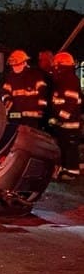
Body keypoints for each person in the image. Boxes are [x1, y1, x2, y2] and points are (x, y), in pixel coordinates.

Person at [48, 52, 81, 180]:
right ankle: (65, 170)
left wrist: (60, 119)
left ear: (60, 64)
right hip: (64, 123)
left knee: (70, 148)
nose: (54, 68)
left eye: (56, 65)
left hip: (69, 123)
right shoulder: (63, 79)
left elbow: (71, 102)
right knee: (64, 147)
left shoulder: (70, 79)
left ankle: (72, 173)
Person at [0, 50, 48, 129]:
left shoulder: (35, 76)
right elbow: (4, 92)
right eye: (13, 65)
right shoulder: (11, 77)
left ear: (24, 63)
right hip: (16, 116)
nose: (14, 67)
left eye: (17, 65)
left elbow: (43, 94)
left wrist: (41, 111)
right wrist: (7, 99)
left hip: (33, 118)